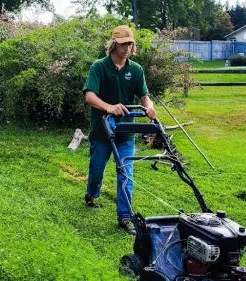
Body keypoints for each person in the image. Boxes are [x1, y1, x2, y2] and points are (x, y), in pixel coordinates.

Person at [83, 25, 157, 235]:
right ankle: (91, 193)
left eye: (130, 43)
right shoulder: (99, 67)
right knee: (97, 169)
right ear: (114, 44)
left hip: (125, 132)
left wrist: (149, 107)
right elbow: (89, 96)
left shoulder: (136, 70)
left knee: (125, 173)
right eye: (123, 43)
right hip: (101, 131)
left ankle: (125, 217)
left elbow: (144, 95)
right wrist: (108, 107)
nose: (127, 47)